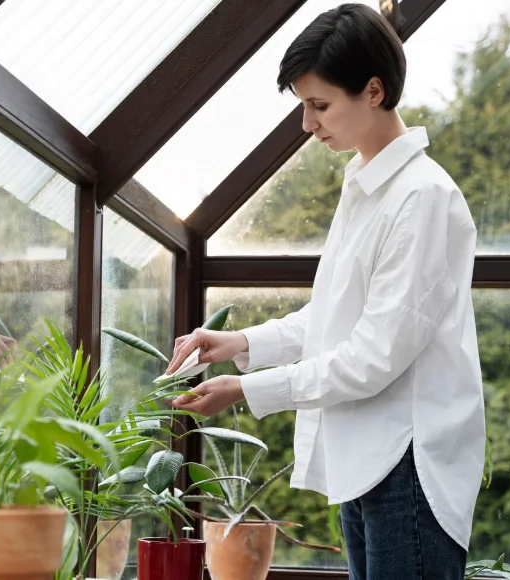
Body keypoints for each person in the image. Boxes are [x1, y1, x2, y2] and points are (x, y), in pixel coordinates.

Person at [170, 5, 485, 579]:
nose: (308, 125)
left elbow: (373, 356)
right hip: (366, 457)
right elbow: (336, 317)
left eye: (319, 105)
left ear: (373, 90)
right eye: (303, 107)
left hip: (407, 461)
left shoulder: (422, 197)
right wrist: (240, 341)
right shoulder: (365, 187)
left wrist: (245, 388)